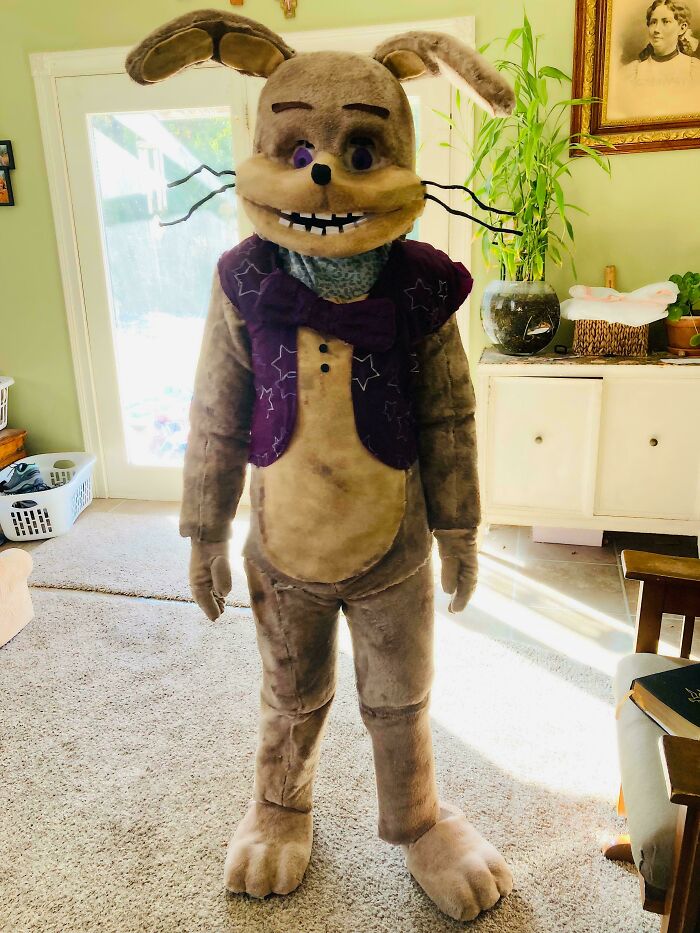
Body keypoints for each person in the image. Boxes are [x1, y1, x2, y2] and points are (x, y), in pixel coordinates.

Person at [610, 0, 700, 118]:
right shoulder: (632, 72)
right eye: (653, 22)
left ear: (682, 28)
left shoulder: (694, 69)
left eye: (665, 21)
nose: (656, 29)